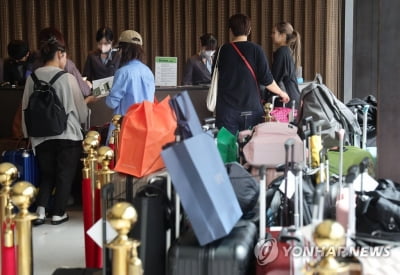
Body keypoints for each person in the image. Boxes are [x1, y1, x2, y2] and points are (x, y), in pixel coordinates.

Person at [22, 33, 95, 226]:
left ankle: (40, 211)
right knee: (65, 175)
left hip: (40, 137)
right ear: (60, 55)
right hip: (67, 135)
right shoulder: (67, 78)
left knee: (47, 174)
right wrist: (88, 103)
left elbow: (25, 109)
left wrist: (27, 135)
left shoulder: (32, 78)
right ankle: (58, 213)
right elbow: (80, 113)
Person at [215, 13, 289, 134]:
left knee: (227, 148)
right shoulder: (257, 50)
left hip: (227, 111)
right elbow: (267, 79)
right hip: (252, 109)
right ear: (249, 30)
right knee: (252, 148)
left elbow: (214, 76)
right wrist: (282, 93)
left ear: (230, 30)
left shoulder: (222, 51)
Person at [105, 30, 155, 139]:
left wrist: (107, 91)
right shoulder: (148, 72)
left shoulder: (123, 72)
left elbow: (111, 103)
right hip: (145, 127)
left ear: (123, 50)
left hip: (124, 128)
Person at [34, 27, 92, 97]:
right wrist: (88, 85)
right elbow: (85, 91)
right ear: (60, 53)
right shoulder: (68, 66)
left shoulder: (34, 68)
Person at [270, 22, 302, 109]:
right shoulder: (287, 51)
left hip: (286, 100)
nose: (271, 35)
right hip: (292, 98)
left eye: (274, 33)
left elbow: (274, 79)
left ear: (283, 35)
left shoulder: (282, 52)